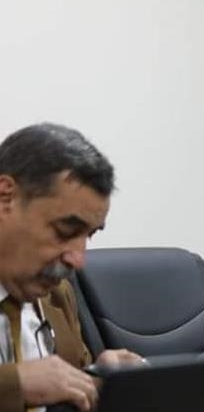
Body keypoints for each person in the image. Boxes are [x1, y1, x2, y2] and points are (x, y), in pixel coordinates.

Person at [0, 123, 142, 412]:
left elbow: (60, 388)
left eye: (89, 235)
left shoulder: (56, 295)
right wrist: (15, 384)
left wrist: (98, 376)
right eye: (65, 229)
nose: (77, 259)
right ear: (6, 197)